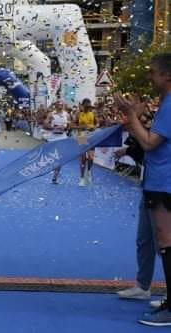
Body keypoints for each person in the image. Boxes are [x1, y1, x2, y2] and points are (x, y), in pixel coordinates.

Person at [114, 53, 171, 326]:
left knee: (167, 243)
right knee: (153, 240)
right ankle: (147, 287)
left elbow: (149, 142)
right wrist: (137, 114)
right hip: (155, 181)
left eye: (153, 72)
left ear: (167, 76)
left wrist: (130, 115)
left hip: (165, 183)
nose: (149, 77)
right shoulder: (165, 105)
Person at [42, 100, 71, 184]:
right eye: (59, 104)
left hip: (62, 137)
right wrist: (53, 127)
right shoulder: (51, 114)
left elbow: (69, 126)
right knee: (53, 157)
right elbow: (45, 124)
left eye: (62, 104)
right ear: (55, 105)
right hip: (52, 138)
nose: (60, 106)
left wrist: (65, 128)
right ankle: (52, 168)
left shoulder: (67, 115)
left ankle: (55, 176)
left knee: (60, 158)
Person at [75, 98, 98, 186]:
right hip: (82, 136)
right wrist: (81, 127)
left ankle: (88, 172)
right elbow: (72, 125)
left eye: (89, 106)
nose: (88, 107)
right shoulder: (79, 114)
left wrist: (94, 127)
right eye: (86, 106)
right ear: (83, 105)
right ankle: (81, 178)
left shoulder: (93, 114)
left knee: (91, 158)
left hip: (91, 136)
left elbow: (97, 123)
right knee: (83, 158)